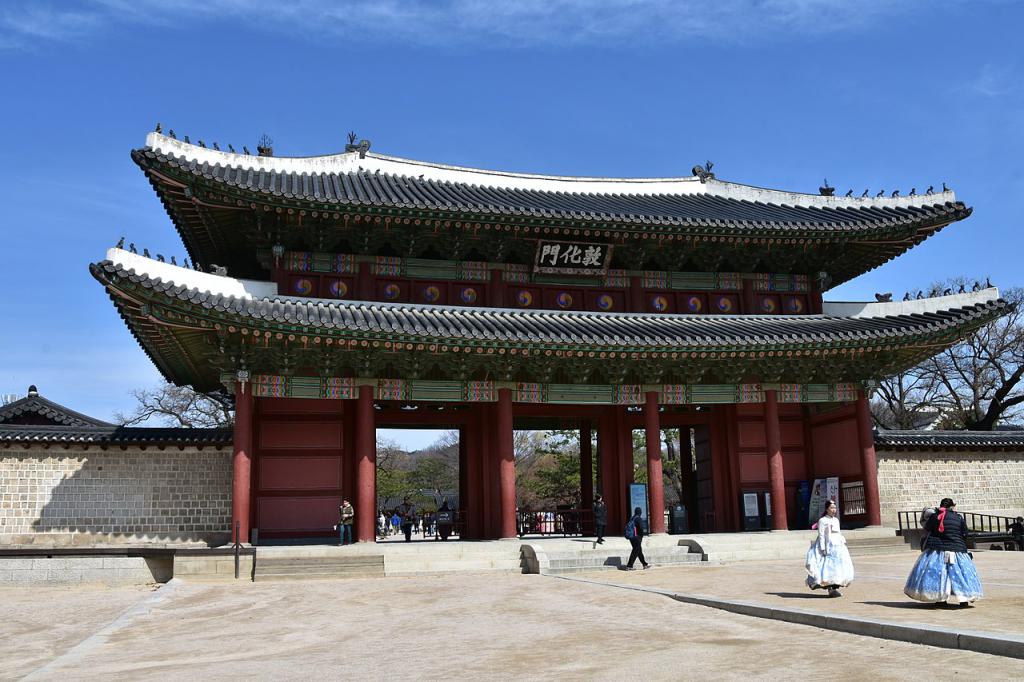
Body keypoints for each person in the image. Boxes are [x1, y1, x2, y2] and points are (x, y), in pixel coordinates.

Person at [904, 498, 984, 606]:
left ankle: (940, 599)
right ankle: (964, 599)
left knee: (939, 574)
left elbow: (927, 528)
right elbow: (965, 532)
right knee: (960, 574)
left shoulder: (935, 516)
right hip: (957, 548)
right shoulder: (958, 517)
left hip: (937, 549)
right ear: (952, 506)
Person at [804, 499, 854, 597]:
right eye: (831, 508)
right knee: (827, 567)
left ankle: (835, 588)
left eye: (835, 507)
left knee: (838, 567)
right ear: (827, 509)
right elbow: (822, 535)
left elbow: (839, 533)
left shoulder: (836, 520)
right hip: (827, 545)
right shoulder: (822, 521)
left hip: (837, 545)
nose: (833, 510)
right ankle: (830, 588)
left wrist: (842, 542)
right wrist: (823, 548)